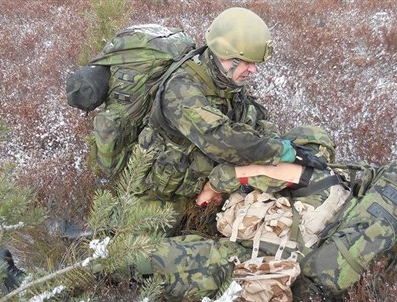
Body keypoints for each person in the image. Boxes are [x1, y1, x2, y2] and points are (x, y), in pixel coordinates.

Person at [132, 7, 324, 233]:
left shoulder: (225, 81)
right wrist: (282, 151)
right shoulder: (181, 89)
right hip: (161, 197)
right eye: (247, 62)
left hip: (201, 182)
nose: (253, 70)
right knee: (150, 258)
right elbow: (221, 140)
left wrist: (277, 143)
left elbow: (252, 119)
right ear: (224, 55)